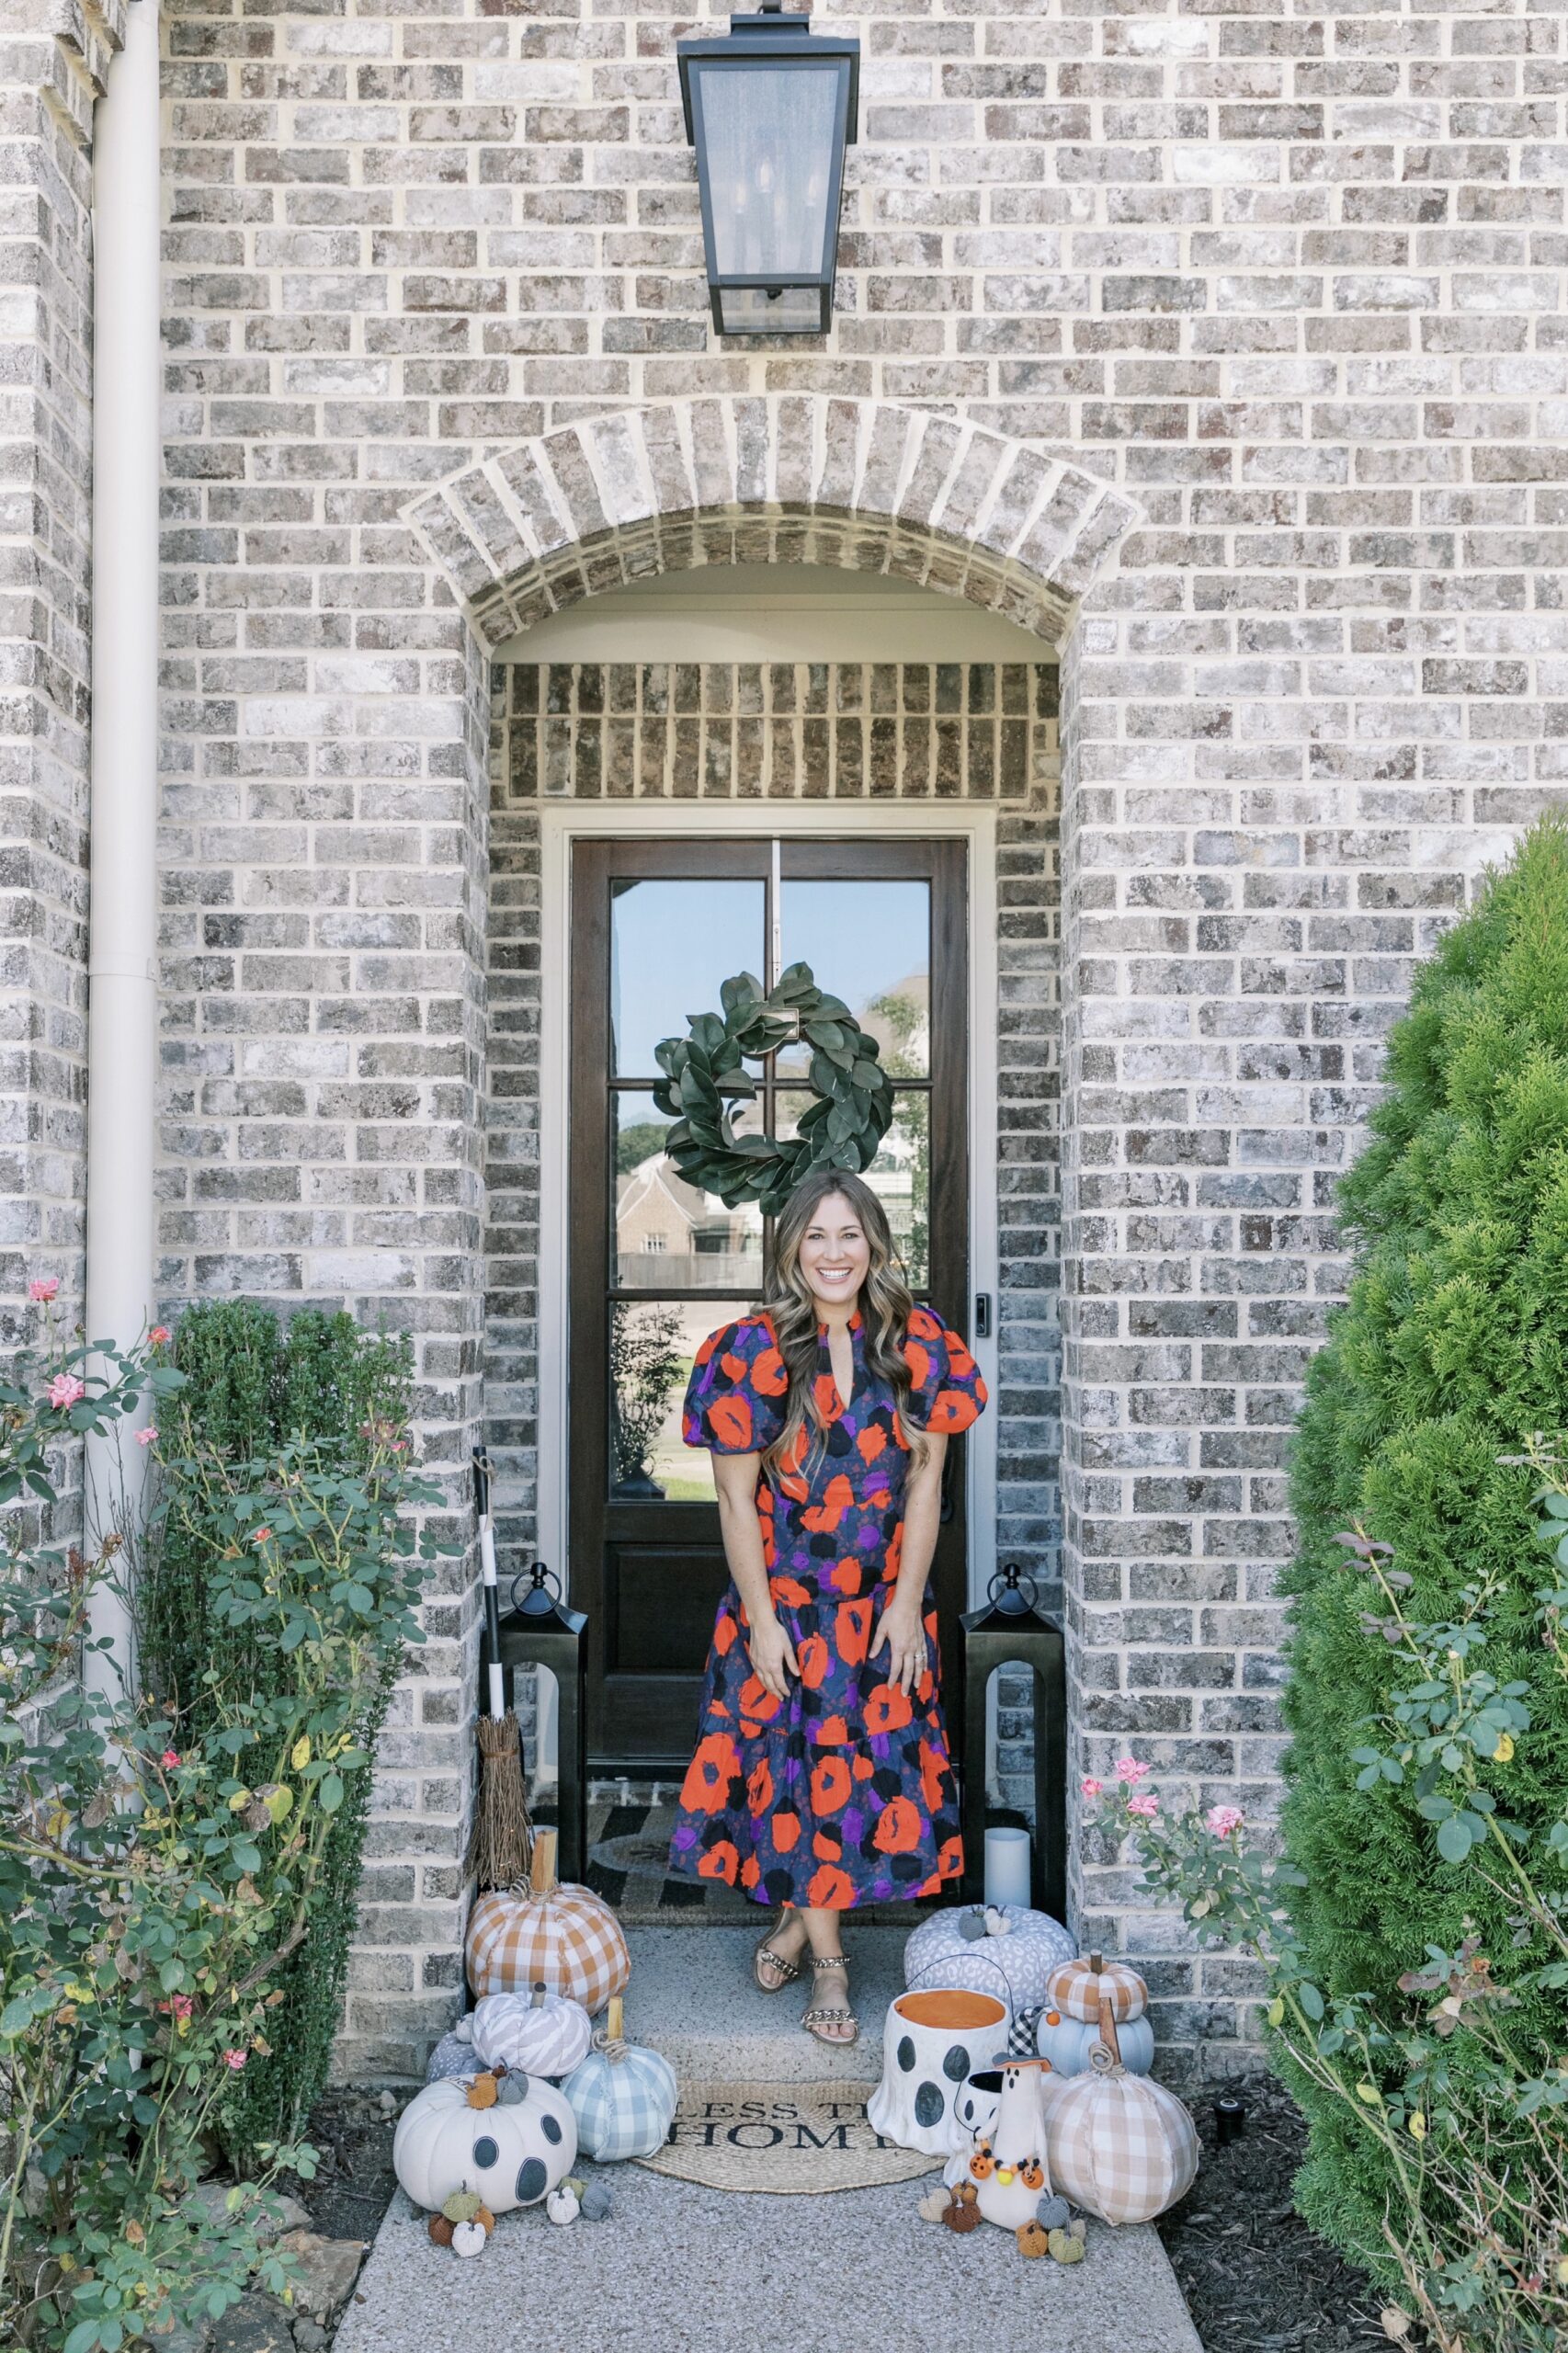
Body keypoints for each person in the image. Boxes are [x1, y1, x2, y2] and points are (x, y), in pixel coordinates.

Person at [667, 1166, 987, 2047]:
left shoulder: (919, 1345)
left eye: (849, 1235)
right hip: (784, 1609)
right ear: (790, 1249)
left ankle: (793, 1926)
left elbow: (927, 1486)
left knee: (854, 1790)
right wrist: (762, 1621)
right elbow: (735, 1503)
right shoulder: (746, 1352)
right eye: (816, 1236)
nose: (833, 1253)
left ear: (875, 1244)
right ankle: (833, 1961)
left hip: (877, 1607)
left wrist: (907, 1605)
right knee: (795, 1784)